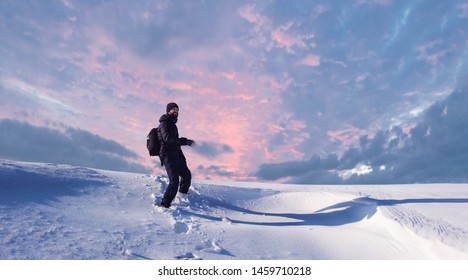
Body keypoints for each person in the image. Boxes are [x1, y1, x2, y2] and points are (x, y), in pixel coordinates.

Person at [157, 102, 196, 208]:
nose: (176, 111)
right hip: (167, 155)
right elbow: (168, 139)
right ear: (168, 110)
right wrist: (185, 141)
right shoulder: (164, 123)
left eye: (177, 109)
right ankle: (165, 204)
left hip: (176, 154)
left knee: (186, 175)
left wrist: (181, 156)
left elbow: (174, 141)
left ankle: (182, 196)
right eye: (174, 109)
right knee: (174, 180)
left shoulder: (172, 124)